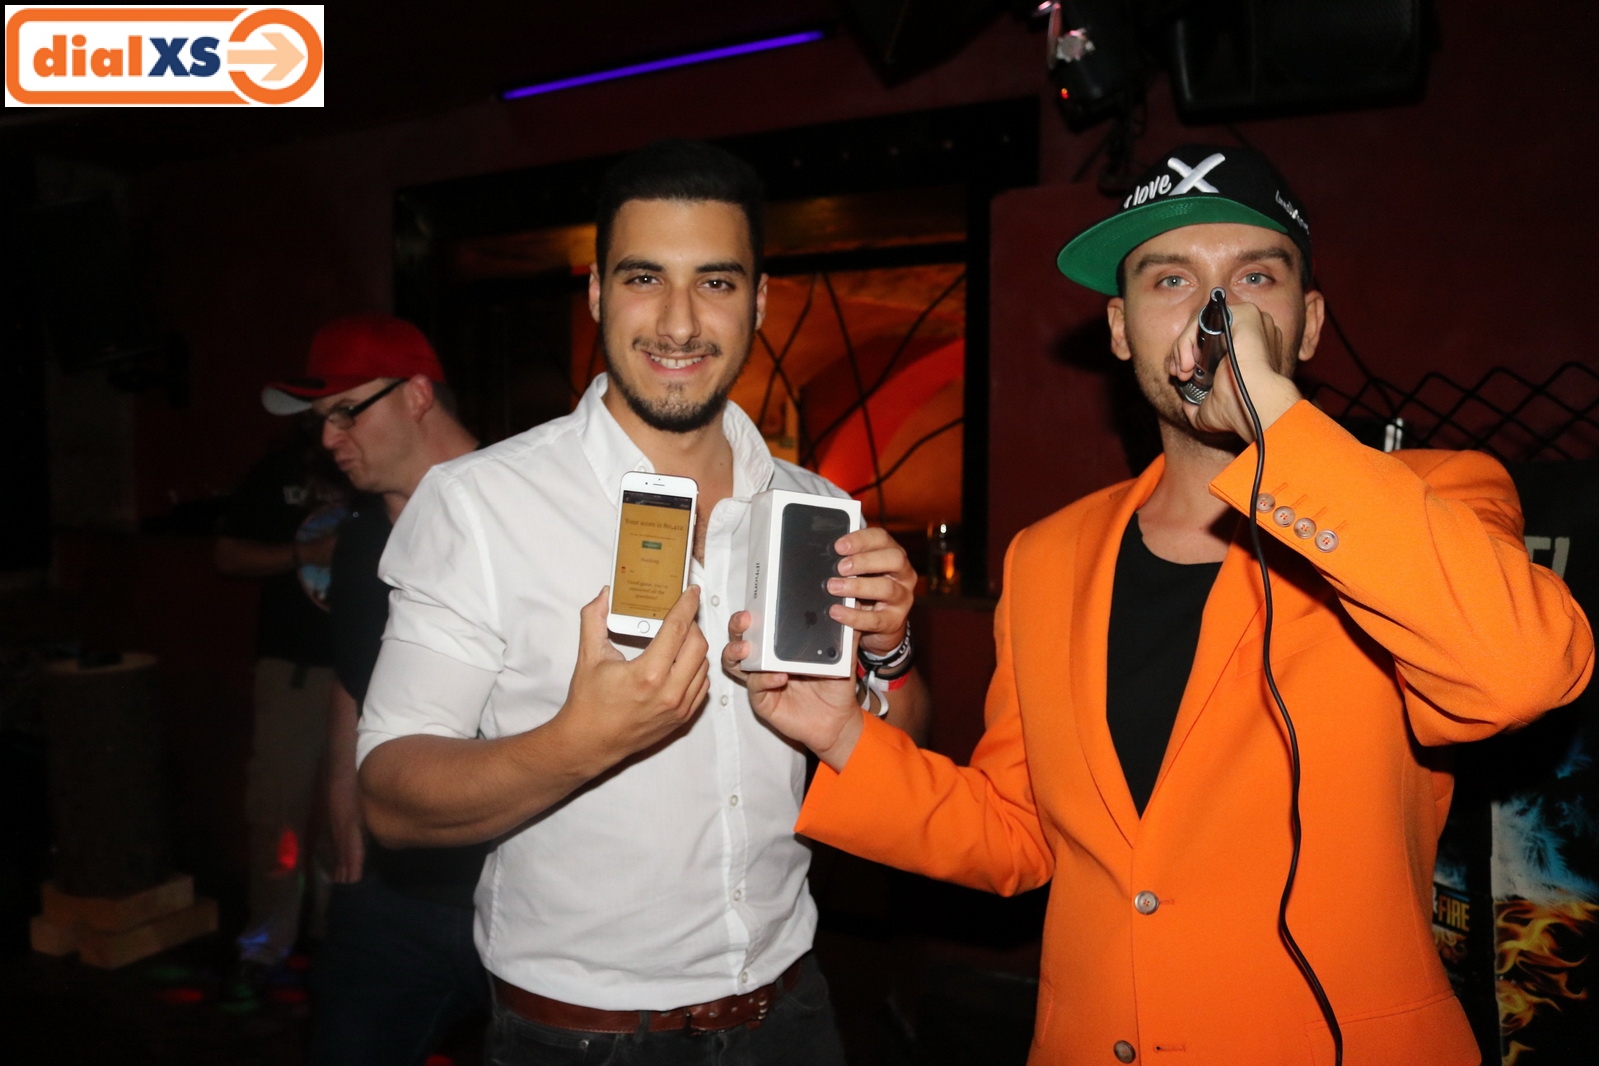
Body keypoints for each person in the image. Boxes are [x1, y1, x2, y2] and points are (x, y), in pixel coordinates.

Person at [732, 144, 1595, 1065]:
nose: (1214, 313)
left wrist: (1273, 422)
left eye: (1253, 278)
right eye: (1170, 279)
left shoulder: (1437, 497)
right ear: (1119, 329)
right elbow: (1017, 835)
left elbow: (1520, 674)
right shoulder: (1047, 556)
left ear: (1306, 326)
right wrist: (839, 734)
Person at [355, 139, 930, 1065]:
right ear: (595, 293)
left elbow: (902, 747)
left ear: (758, 302)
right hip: (582, 1037)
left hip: (791, 1012)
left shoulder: (817, 509)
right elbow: (389, 795)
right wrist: (579, 742)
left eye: (714, 282)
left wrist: (891, 654)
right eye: (643, 278)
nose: (677, 321)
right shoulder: (479, 503)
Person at [258, 314, 487, 1064]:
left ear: (417, 395)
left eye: (346, 412)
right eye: (321, 420)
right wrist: (340, 793)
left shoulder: (521, 509)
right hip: (387, 892)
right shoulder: (360, 535)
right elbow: (353, 676)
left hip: (515, 887)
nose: (329, 438)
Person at [215, 425, 346, 992]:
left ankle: (337, 940)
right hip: (293, 668)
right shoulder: (278, 472)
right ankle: (266, 943)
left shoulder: (384, 464)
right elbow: (227, 555)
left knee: (350, 818)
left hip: (370, 672)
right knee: (278, 810)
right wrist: (307, 553)